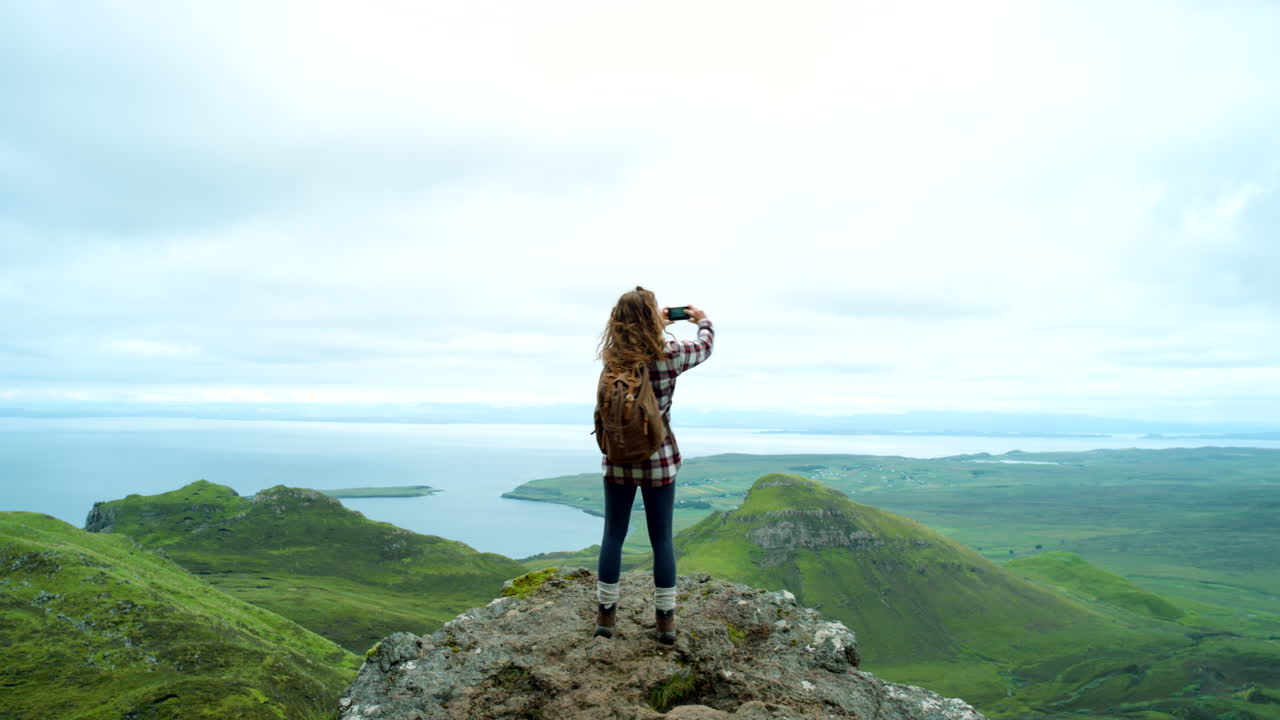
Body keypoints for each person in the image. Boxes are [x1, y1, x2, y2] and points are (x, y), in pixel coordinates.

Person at [593, 286, 714, 644]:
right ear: (650, 318)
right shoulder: (668, 354)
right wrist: (702, 320)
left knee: (613, 535)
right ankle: (665, 622)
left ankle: (606, 617)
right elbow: (705, 347)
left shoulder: (613, 357)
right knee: (661, 539)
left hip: (617, 460)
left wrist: (647, 323)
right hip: (659, 460)